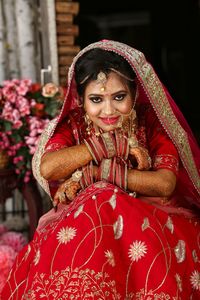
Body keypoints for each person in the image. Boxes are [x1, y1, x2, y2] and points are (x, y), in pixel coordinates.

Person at [1, 40, 200, 299]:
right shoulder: (72, 124)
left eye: (119, 97)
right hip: (86, 228)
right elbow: (48, 167)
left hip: (153, 220)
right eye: (96, 99)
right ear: (81, 100)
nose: (108, 111)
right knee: (99, 200)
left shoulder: (152, 123)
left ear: (135, 94)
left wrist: (100, 174)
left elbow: (164, 184)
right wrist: (107, 145)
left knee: (103, 196)